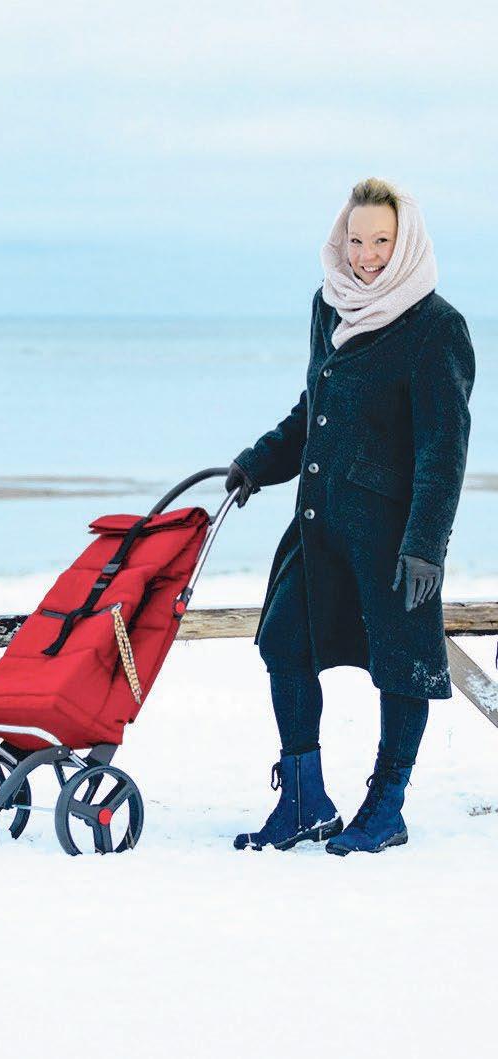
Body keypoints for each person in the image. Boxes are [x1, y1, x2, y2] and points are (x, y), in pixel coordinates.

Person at [225, 178, 475, 855]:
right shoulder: (328, 305)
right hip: (318, 524)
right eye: (357, 240)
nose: (365, 256)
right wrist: (256, 463)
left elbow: (443, 448)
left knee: (399, 664)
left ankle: (385, 807)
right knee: (284, 642)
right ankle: (303, 801)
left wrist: (425, 543)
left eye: (381, 241)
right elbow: (315, 410)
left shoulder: (436, 328)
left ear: (405, 242)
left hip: (392, 537)